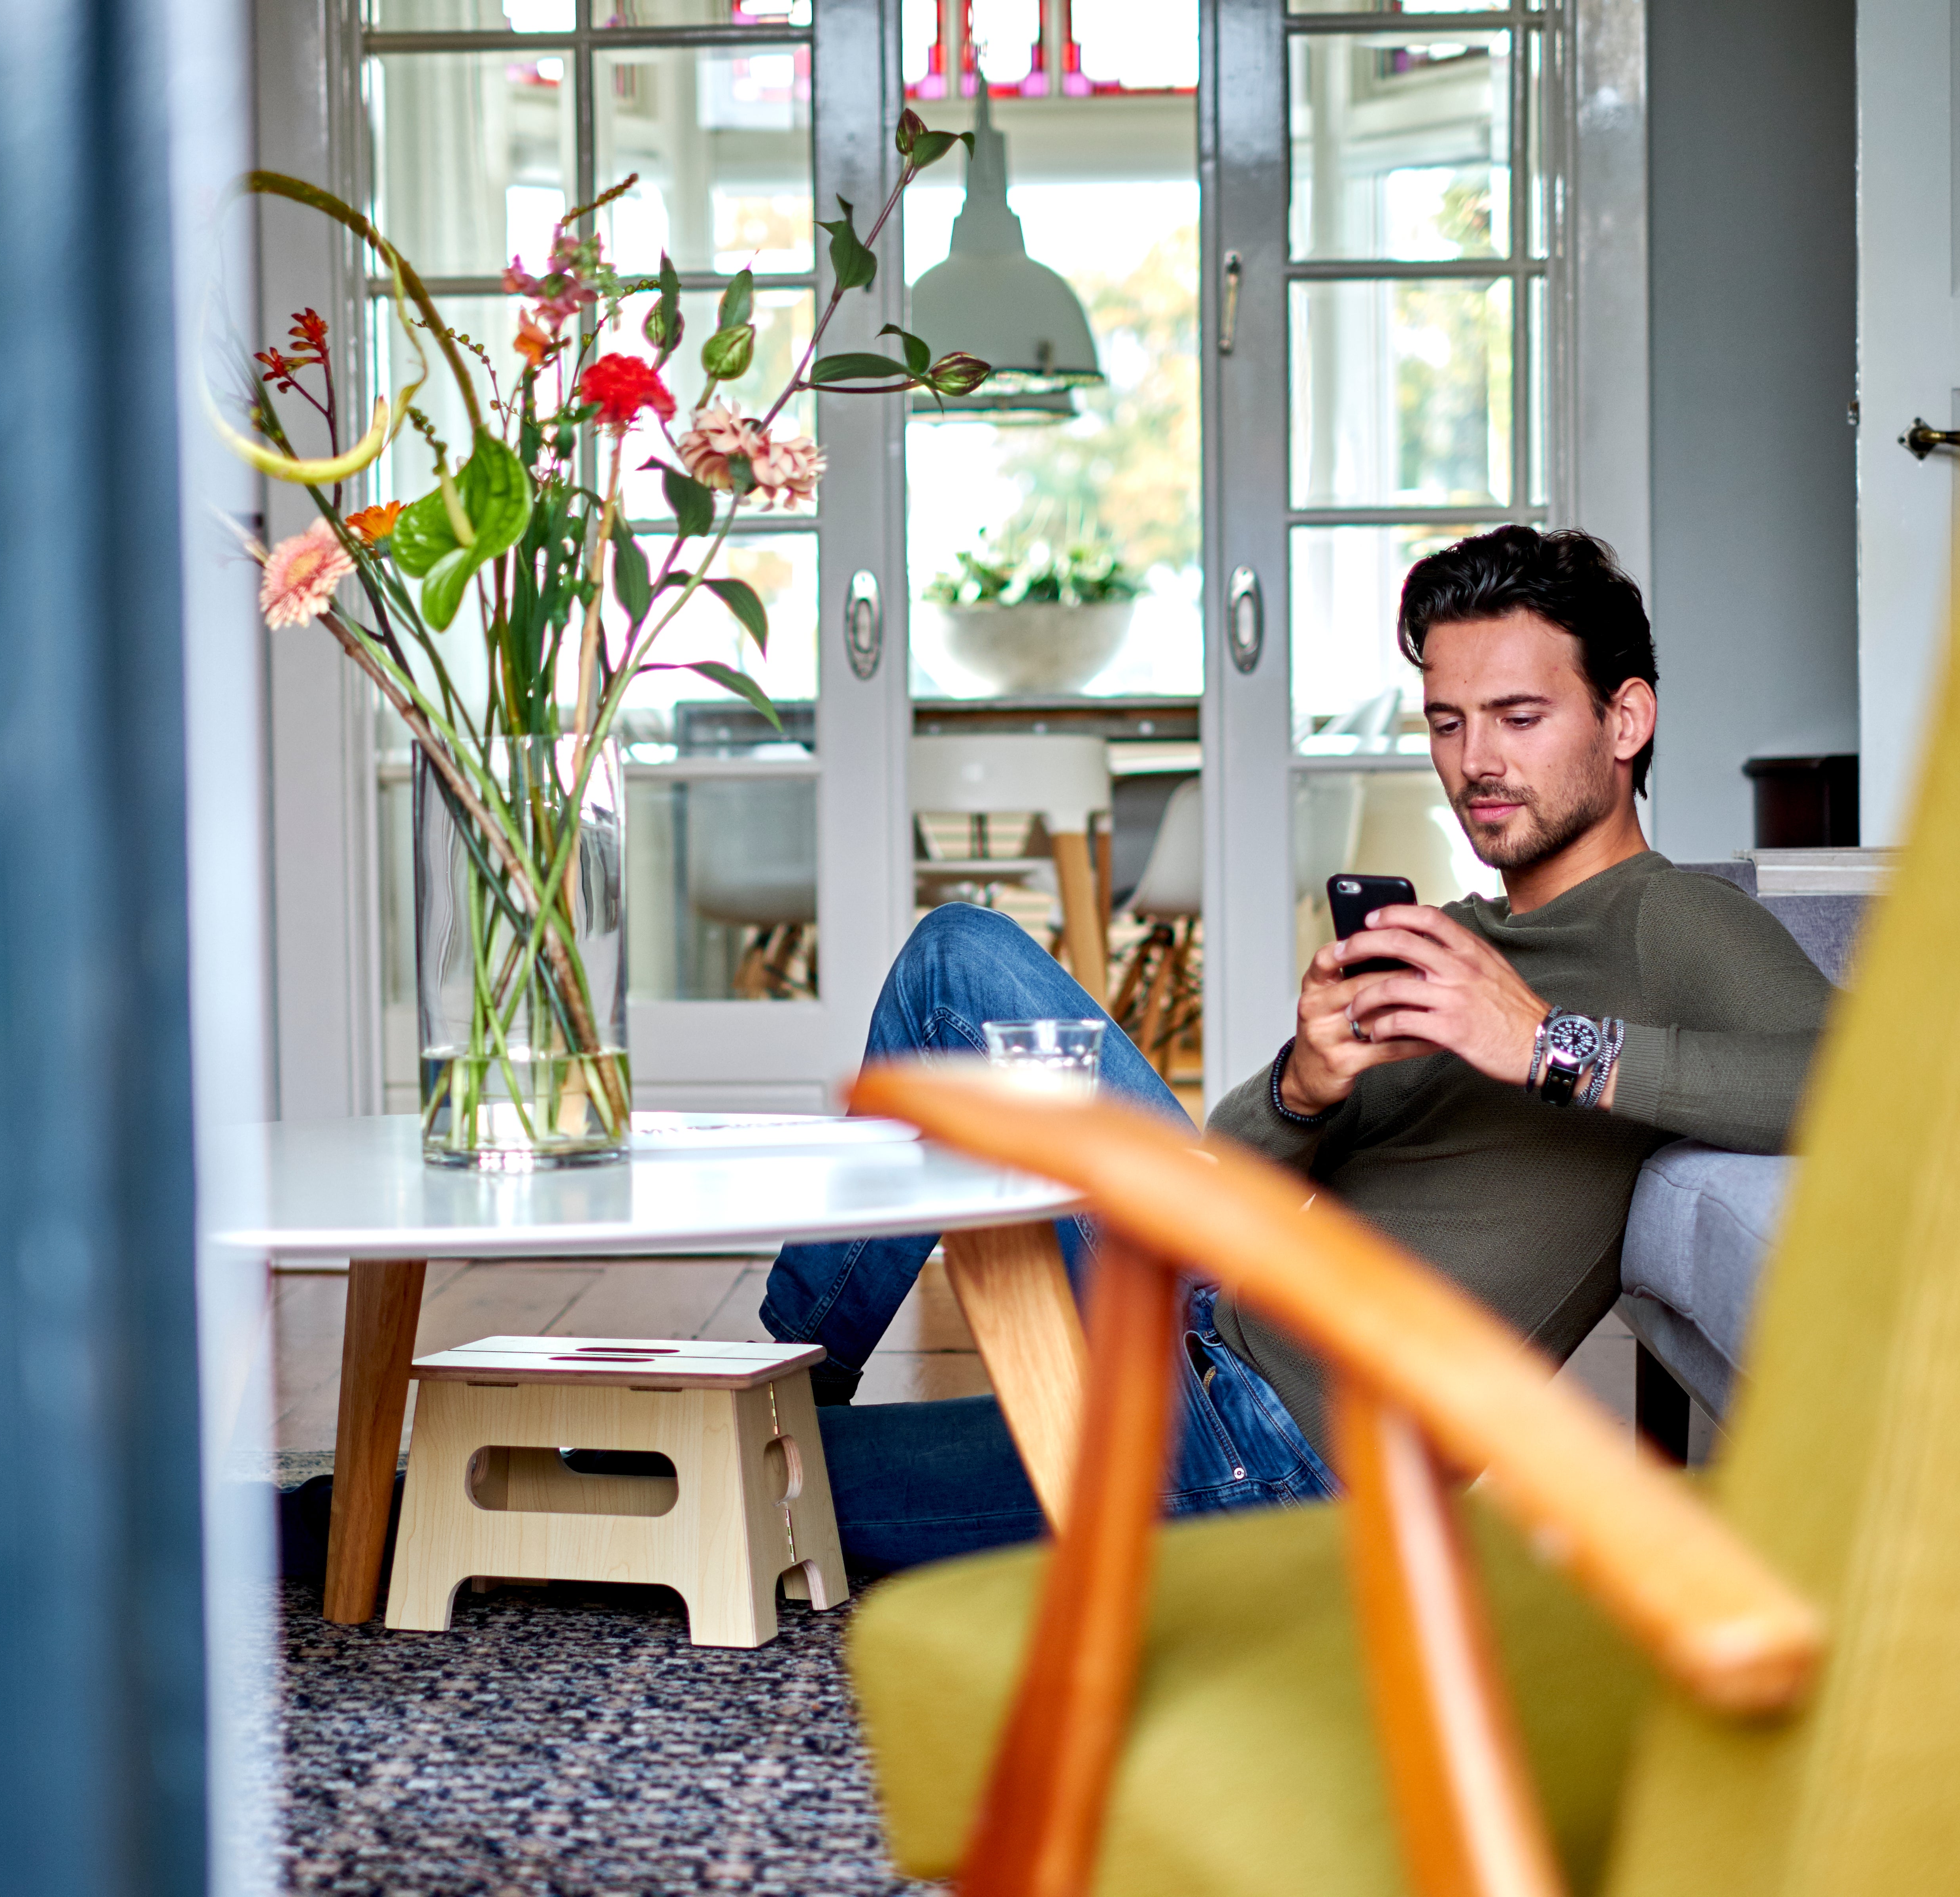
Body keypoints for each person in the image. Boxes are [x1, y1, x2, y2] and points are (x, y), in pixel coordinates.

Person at [781, 524, 1837, 1573]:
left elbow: (1876, 1086)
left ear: (1626, 719)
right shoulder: (1451, 943)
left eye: (1520, 718)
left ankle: (768, 1410)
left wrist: (1551, 1048)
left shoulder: (1671, 920)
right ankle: (777, 1379)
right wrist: (1302, 1088)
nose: (1477, 763)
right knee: (960, 961)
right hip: (1204, 1331)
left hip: (1271, 1464)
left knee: (777, 1492)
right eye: (1448, 724)